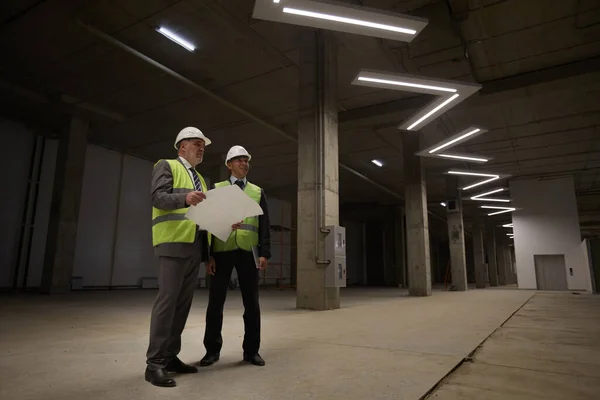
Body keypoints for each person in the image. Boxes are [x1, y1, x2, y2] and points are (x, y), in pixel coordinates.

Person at [145, 127, 211, 388]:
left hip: (193, 246)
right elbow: (158, 197)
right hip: (172, 243)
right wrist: (185, 197)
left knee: (182, 306)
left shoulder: (202, 179)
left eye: (203, 145)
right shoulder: (167, 165)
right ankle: (154, 364)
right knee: (167, 303)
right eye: (197, 143)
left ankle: (171, 357)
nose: (201, 147)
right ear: (181, 146)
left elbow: (202, 213)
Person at [200, 145, 271, 367]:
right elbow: (207, 222)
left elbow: (264, 225)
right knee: (215, 303)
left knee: (252, 304)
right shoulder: (217, 188)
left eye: (246, 160)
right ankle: (212, 351)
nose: (243, 163)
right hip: (221, 252)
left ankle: (251, 351)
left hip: (248, 252)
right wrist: (208, 256)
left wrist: (264, 253)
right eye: (238, 160)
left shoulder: (257, 192)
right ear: (229, 165)